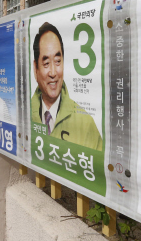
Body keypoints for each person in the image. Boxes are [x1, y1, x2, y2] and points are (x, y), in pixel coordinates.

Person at [31, 22, 102, 150]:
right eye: (46, 63)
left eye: (58, 61)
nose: (53, 73)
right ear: (35, 69)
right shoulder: (25, 113)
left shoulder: (85, 124)